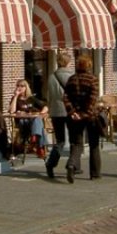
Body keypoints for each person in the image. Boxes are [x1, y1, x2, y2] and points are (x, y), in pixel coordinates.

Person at [62, 54, 100, 183]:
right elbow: (92, 100)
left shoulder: (72, 79)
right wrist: (84, 114)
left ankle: (72, 165)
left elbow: (65, 97)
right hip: (90, 116)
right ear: (89, 65)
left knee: (76, 143)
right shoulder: (92, 79)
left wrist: (72, 112)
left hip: (74, 116)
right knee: (94, 144)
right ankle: (95, 173)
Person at [45, 51, 73, 179]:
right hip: (70, 110)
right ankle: (72, 165)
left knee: (60, 141)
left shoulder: (51, 77)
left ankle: (51, 163)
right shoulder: (72, 76)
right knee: (74, 140)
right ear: (68, 62)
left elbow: (49, 95)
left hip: (56, 111)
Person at [8, 78, 48, 158]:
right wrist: (16, 96)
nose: (19, 87)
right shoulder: (15, 99)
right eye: (18, 86)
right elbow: (11, 111)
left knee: (37, 119)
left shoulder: (31, 99)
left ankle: (34, 138)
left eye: (22, 86)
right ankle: (39, 146)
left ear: (26, 88)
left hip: (32, 121)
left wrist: (41, 113)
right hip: (22, 122)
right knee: (41, 129)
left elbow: (45, 107)